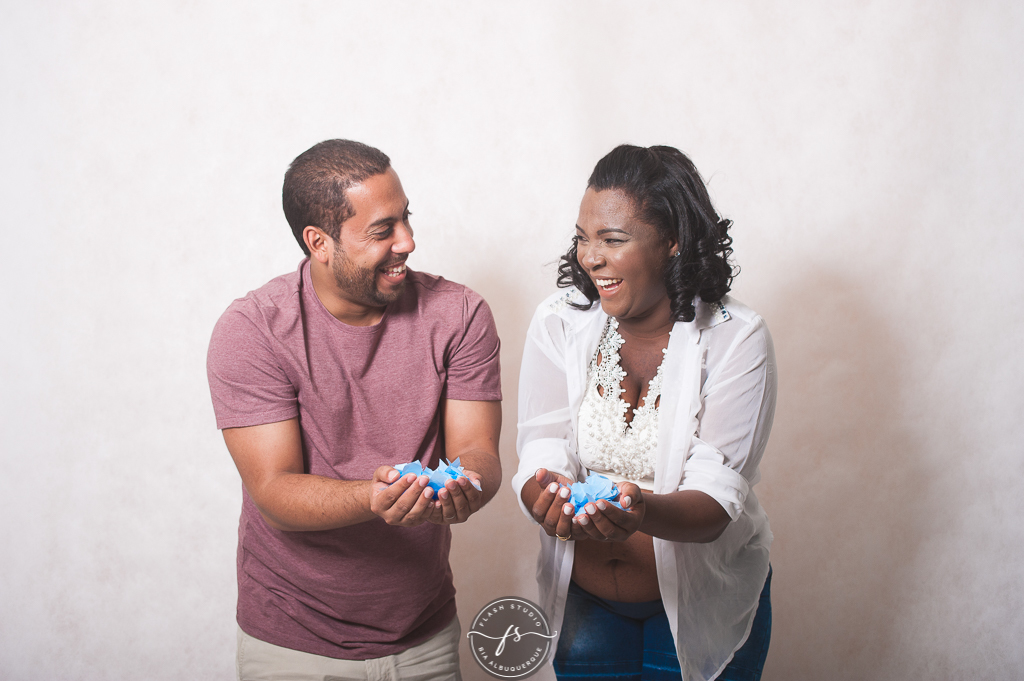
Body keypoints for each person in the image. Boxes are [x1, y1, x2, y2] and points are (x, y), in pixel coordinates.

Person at [207, 139, 502, 681]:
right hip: (293, 643)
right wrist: (379, 496)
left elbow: (478, 450)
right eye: (382, 229)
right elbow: (274, 492)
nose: (408, 241)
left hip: (426, 634)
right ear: (319, 242)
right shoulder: (253, 331)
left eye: (406, 218)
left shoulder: (460, 314)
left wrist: (467, 483)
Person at [512, 144, 776, 681]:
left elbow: (717, 497)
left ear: (672, 240)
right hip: (583, 605)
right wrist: (545, 497)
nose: (590, 258)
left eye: (612, 240)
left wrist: (638, 513)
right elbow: (542, 443)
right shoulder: (560, 320)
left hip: (700, 605)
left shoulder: (735, 336)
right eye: (583, 238)